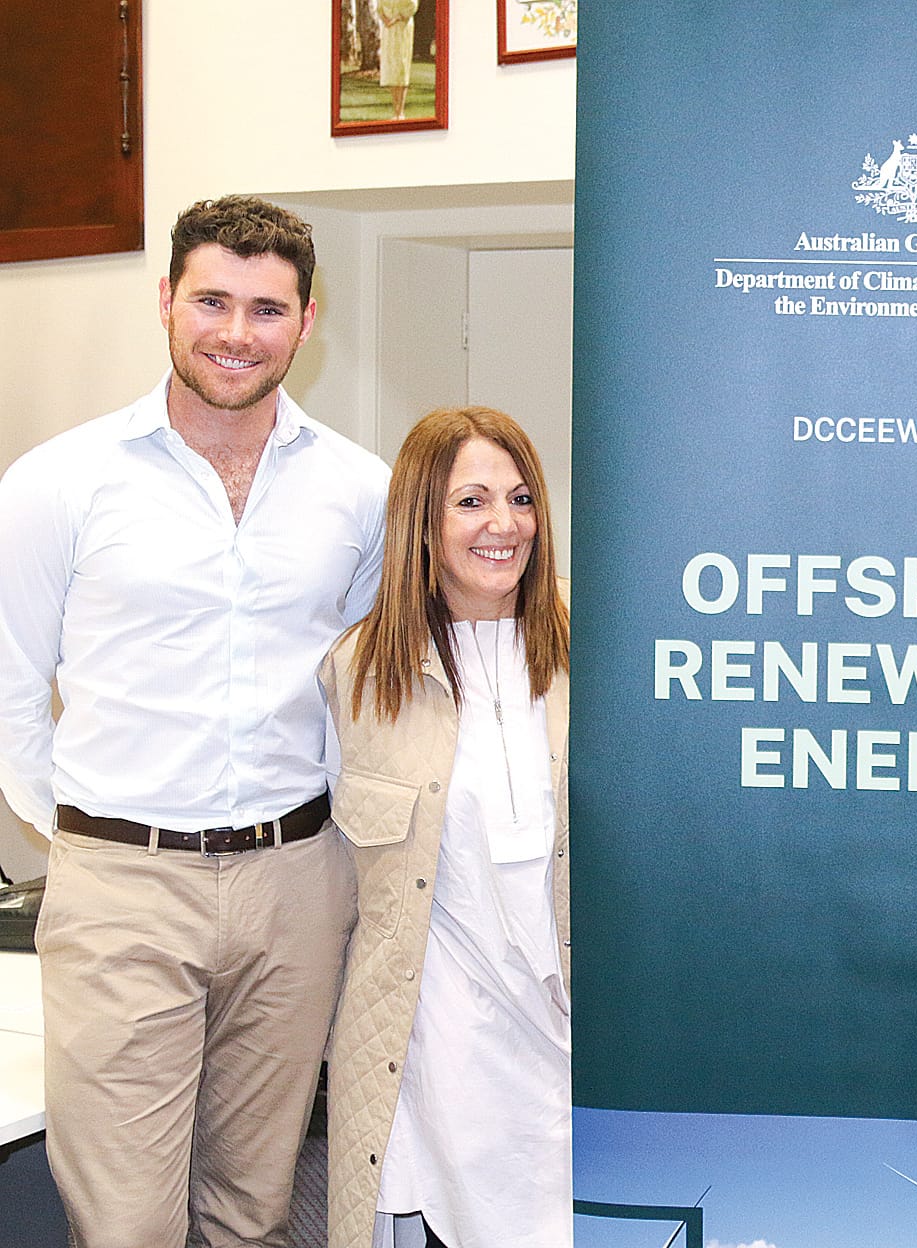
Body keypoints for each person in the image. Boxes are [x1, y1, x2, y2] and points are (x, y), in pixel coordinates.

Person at [0, 196, 389, 1247]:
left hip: (296, 886)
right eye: (211, 300)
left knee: (252, 1208)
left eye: (266, 309)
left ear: (307, 324)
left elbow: (370, 686)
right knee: (125, 1223)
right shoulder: (57, 484)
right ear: (165, 301)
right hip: (122, 888)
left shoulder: (362, 493)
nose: (235, 332)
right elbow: (9, 691)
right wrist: (92, 832)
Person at [320, 406, 572, 1248]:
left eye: (522, 497)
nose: (505, 524)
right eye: (471, 501)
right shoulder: (360, 675)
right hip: (444, 1054)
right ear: (421, 522)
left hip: (575, 1043)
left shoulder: (601, 650)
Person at [377, 0, 419, 119]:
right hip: (388, 29)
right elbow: (379, 7)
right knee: (391, 67)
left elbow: (412, 5)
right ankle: (395, 110)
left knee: (401, 67)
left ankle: (400, 111)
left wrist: (397, 18)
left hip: (402, 28)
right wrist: (385, 19)